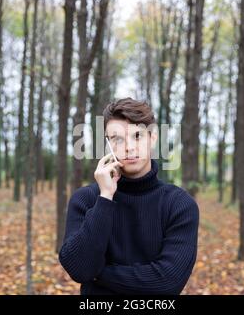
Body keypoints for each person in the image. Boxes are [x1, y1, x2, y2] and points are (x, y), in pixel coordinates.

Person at [59, 97, 199, 295]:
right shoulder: (86, 200)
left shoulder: (179, 204)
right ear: (108, 144)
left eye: (137, 136)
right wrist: (106, 196)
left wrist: (98, 274)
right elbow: (80, 269)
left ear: (153, 138)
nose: (129, 147)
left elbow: (167, 283)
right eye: (117, 139)